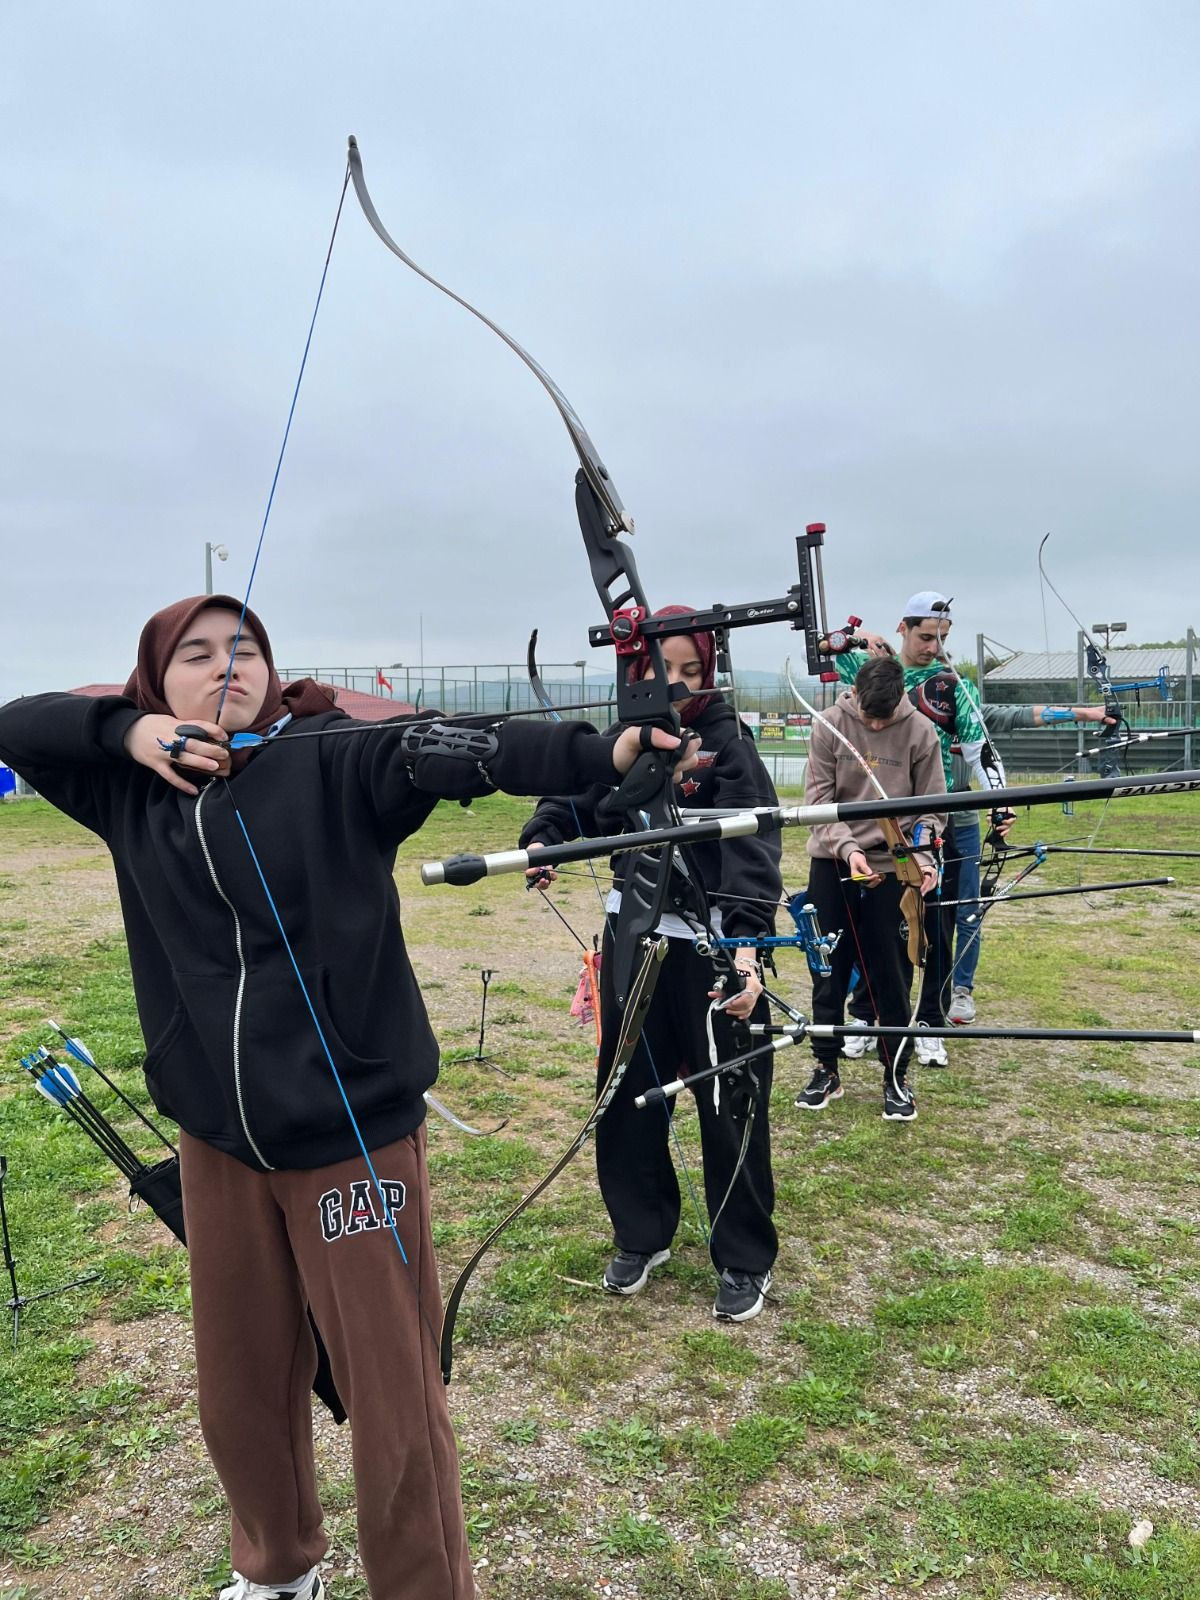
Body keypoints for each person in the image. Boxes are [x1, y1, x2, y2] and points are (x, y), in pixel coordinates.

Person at [0, 594, 698, 1600]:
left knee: (393, 1400)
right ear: (159, 683)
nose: (225, 664)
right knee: (240, 1389)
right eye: (193, 655)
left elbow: (453, 748)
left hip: (349, 1142)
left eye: (246, 648)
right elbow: (18, 724)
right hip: (218, 1143)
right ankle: (279, 1568)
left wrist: (601, 750)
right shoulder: (130, 793)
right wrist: (128, 730)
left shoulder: (328, 757)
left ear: (275, 671)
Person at [519, 609, 783, 1323]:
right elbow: (582, 801)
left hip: (715, 947)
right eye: (660, 670)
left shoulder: (729, 747)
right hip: (633, 941)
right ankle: (642, 1232)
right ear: (635, 674)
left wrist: (748, 949)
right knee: (627, 1090)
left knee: (728, 1100)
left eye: (692, 672)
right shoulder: (626, 742)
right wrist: (546, 835)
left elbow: (754, 849)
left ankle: (743, 1254)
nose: (677, 685)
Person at [832, 593, 1012, 1064]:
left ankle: (930, 1019)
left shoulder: (954, 685)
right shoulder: (867, 668)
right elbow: (820, 648)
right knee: (876, 920)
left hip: (945, 817)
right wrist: (854, 636)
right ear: (903, 628)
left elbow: (979, 749)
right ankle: (869, 1015)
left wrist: (1000, 803)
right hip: (881, 820)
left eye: (942, 638)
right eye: (926, 636)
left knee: (937, 921)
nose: (934, 647)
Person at [795, 657, 945, 1121]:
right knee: (827, 969)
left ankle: (895, 1076)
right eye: (868, 715)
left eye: (883, 716)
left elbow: (932, 809)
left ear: (900, 696)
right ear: (854, 693)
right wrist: (849, 851)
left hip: (894, 867)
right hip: (833, 862)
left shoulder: (922, 732)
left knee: (893, 976)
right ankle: (826, 1069)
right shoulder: (830, 725)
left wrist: (922, 856)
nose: (875, 723)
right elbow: (817, 801)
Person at [940, 701, 1115, 1021]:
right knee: (921, 909)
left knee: (969, 908)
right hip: (917, 817)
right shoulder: (907, 705)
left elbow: (1024, 714)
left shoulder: (967, 708)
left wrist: (1087, 713)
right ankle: (913, 991)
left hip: (963, 820)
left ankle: (961, 990)